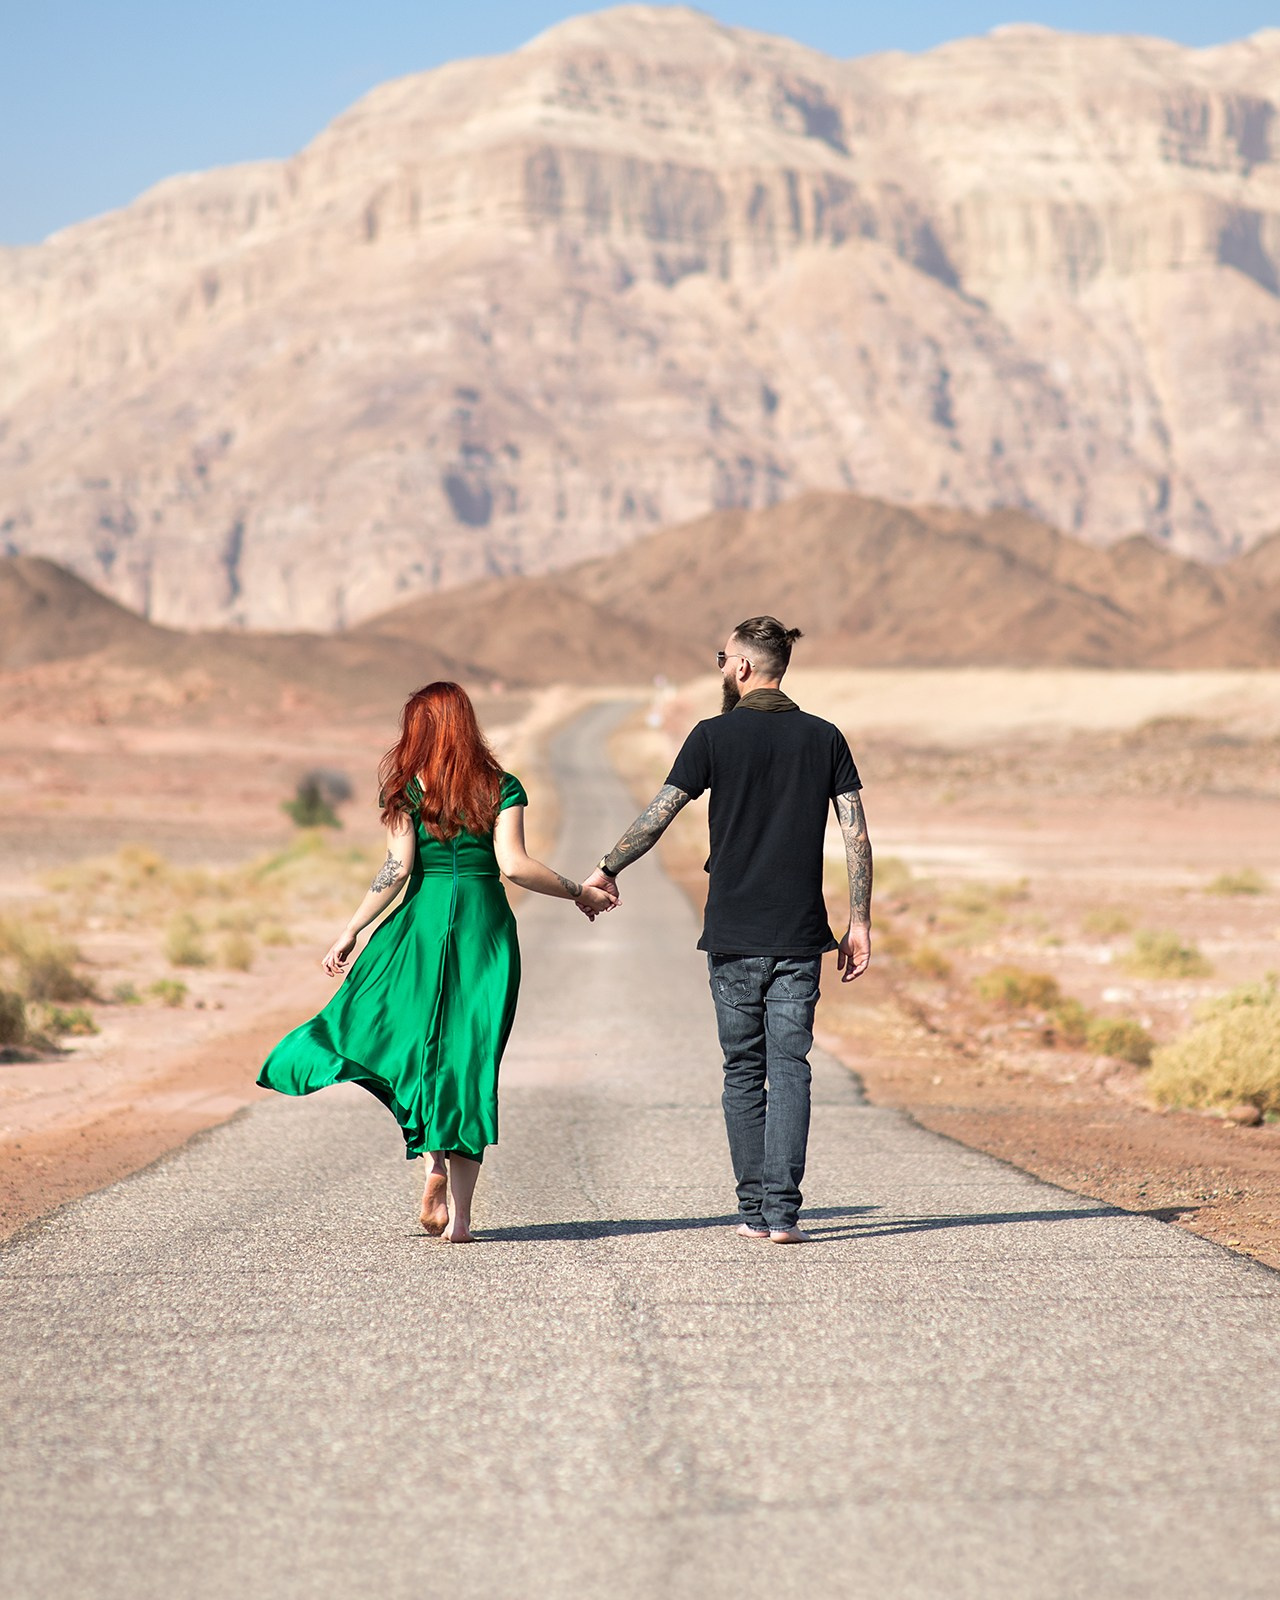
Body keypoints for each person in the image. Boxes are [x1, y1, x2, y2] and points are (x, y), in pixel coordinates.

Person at [258, 681, 616, 1242]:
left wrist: (353, 929)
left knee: (420, 1046)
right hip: (484, 927)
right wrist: (579, 892)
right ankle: (464, 1221)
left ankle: (433, 1165)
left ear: (420, 730)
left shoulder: (406, 789)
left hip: (421, 924)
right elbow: (515, 867)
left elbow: (396, 869)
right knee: (471, 1057)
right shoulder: (503, 786)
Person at [582, 616, 872, 1243]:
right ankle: (784, 1215)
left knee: (744, 1069)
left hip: (735, 935)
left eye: (722, 658)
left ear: (741, 667)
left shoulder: (713, 736)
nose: (720, 668)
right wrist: (861, 924)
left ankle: (753, 1212)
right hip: (800, 935)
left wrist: (607, 869)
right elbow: (857, 836)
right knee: (790, 1065)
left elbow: (659, 814)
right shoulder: (825, 738)